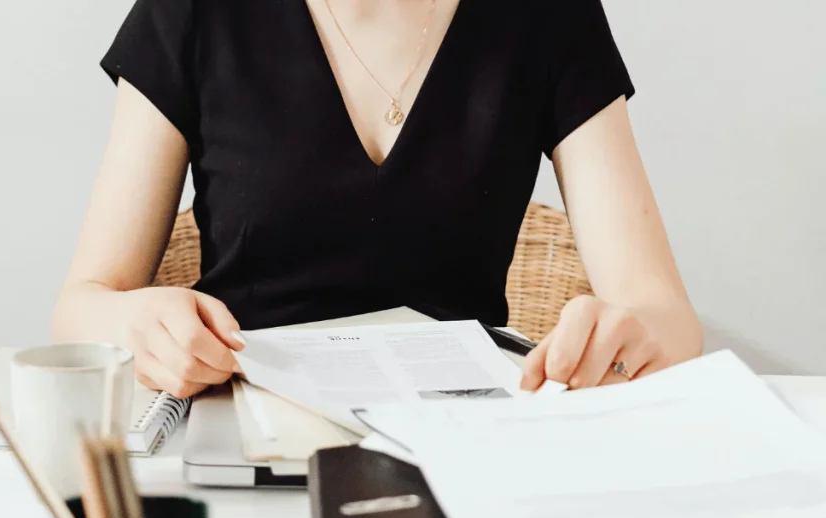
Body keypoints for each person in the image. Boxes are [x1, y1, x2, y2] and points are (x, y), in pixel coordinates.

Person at [52, 0, 703, 399]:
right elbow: (82, 303)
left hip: (466, 446)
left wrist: (631, 336)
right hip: (245, 428)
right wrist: (134, 325)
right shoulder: (196, 10)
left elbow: (667, 316)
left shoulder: (548, 14)